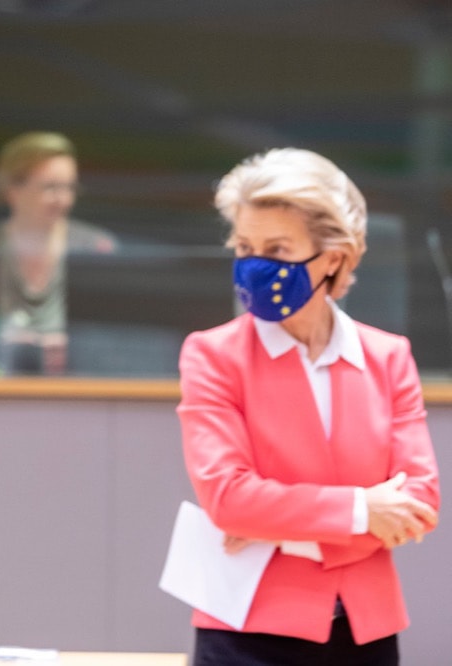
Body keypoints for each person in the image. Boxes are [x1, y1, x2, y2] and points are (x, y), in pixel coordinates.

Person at [177, 147, 440, 665]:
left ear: (334, 257)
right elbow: (229, 498)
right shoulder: (213, 356)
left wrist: (274, 525)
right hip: (247, 628)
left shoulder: (388, 357)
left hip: (365, 630)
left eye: (276, 250)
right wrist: (364, 510)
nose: (255, 266)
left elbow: (418, 503)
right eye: (245, 246)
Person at [0, 131, 117, 375]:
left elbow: (116, 337)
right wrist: (0, 340)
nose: (62, 199)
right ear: (12, 189)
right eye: (50, 188)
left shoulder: (97, 248)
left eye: (69, 188)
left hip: (77, 383)